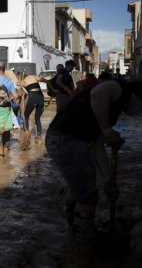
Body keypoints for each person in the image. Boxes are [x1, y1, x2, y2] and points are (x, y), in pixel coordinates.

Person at [45, 78, 142, 253]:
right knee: (87, 196)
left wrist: (107, 180)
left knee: (83, 189)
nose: (138, 111)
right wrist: (107, 130)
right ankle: (83, 246)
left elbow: (97, 146)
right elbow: (97, 93)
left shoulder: (112, 111)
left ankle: (75, 234)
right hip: (66, 139)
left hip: (67, 140)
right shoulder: (118, 88)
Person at [19, 74, 49, 144]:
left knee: (26, 116)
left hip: (32, 97)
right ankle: (39, 136)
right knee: (37, 118)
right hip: (40, 96)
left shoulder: (24, 81)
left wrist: (23, 87)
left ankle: (26, 135)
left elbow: (24, 91)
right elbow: (45, 80)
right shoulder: (34, 77)